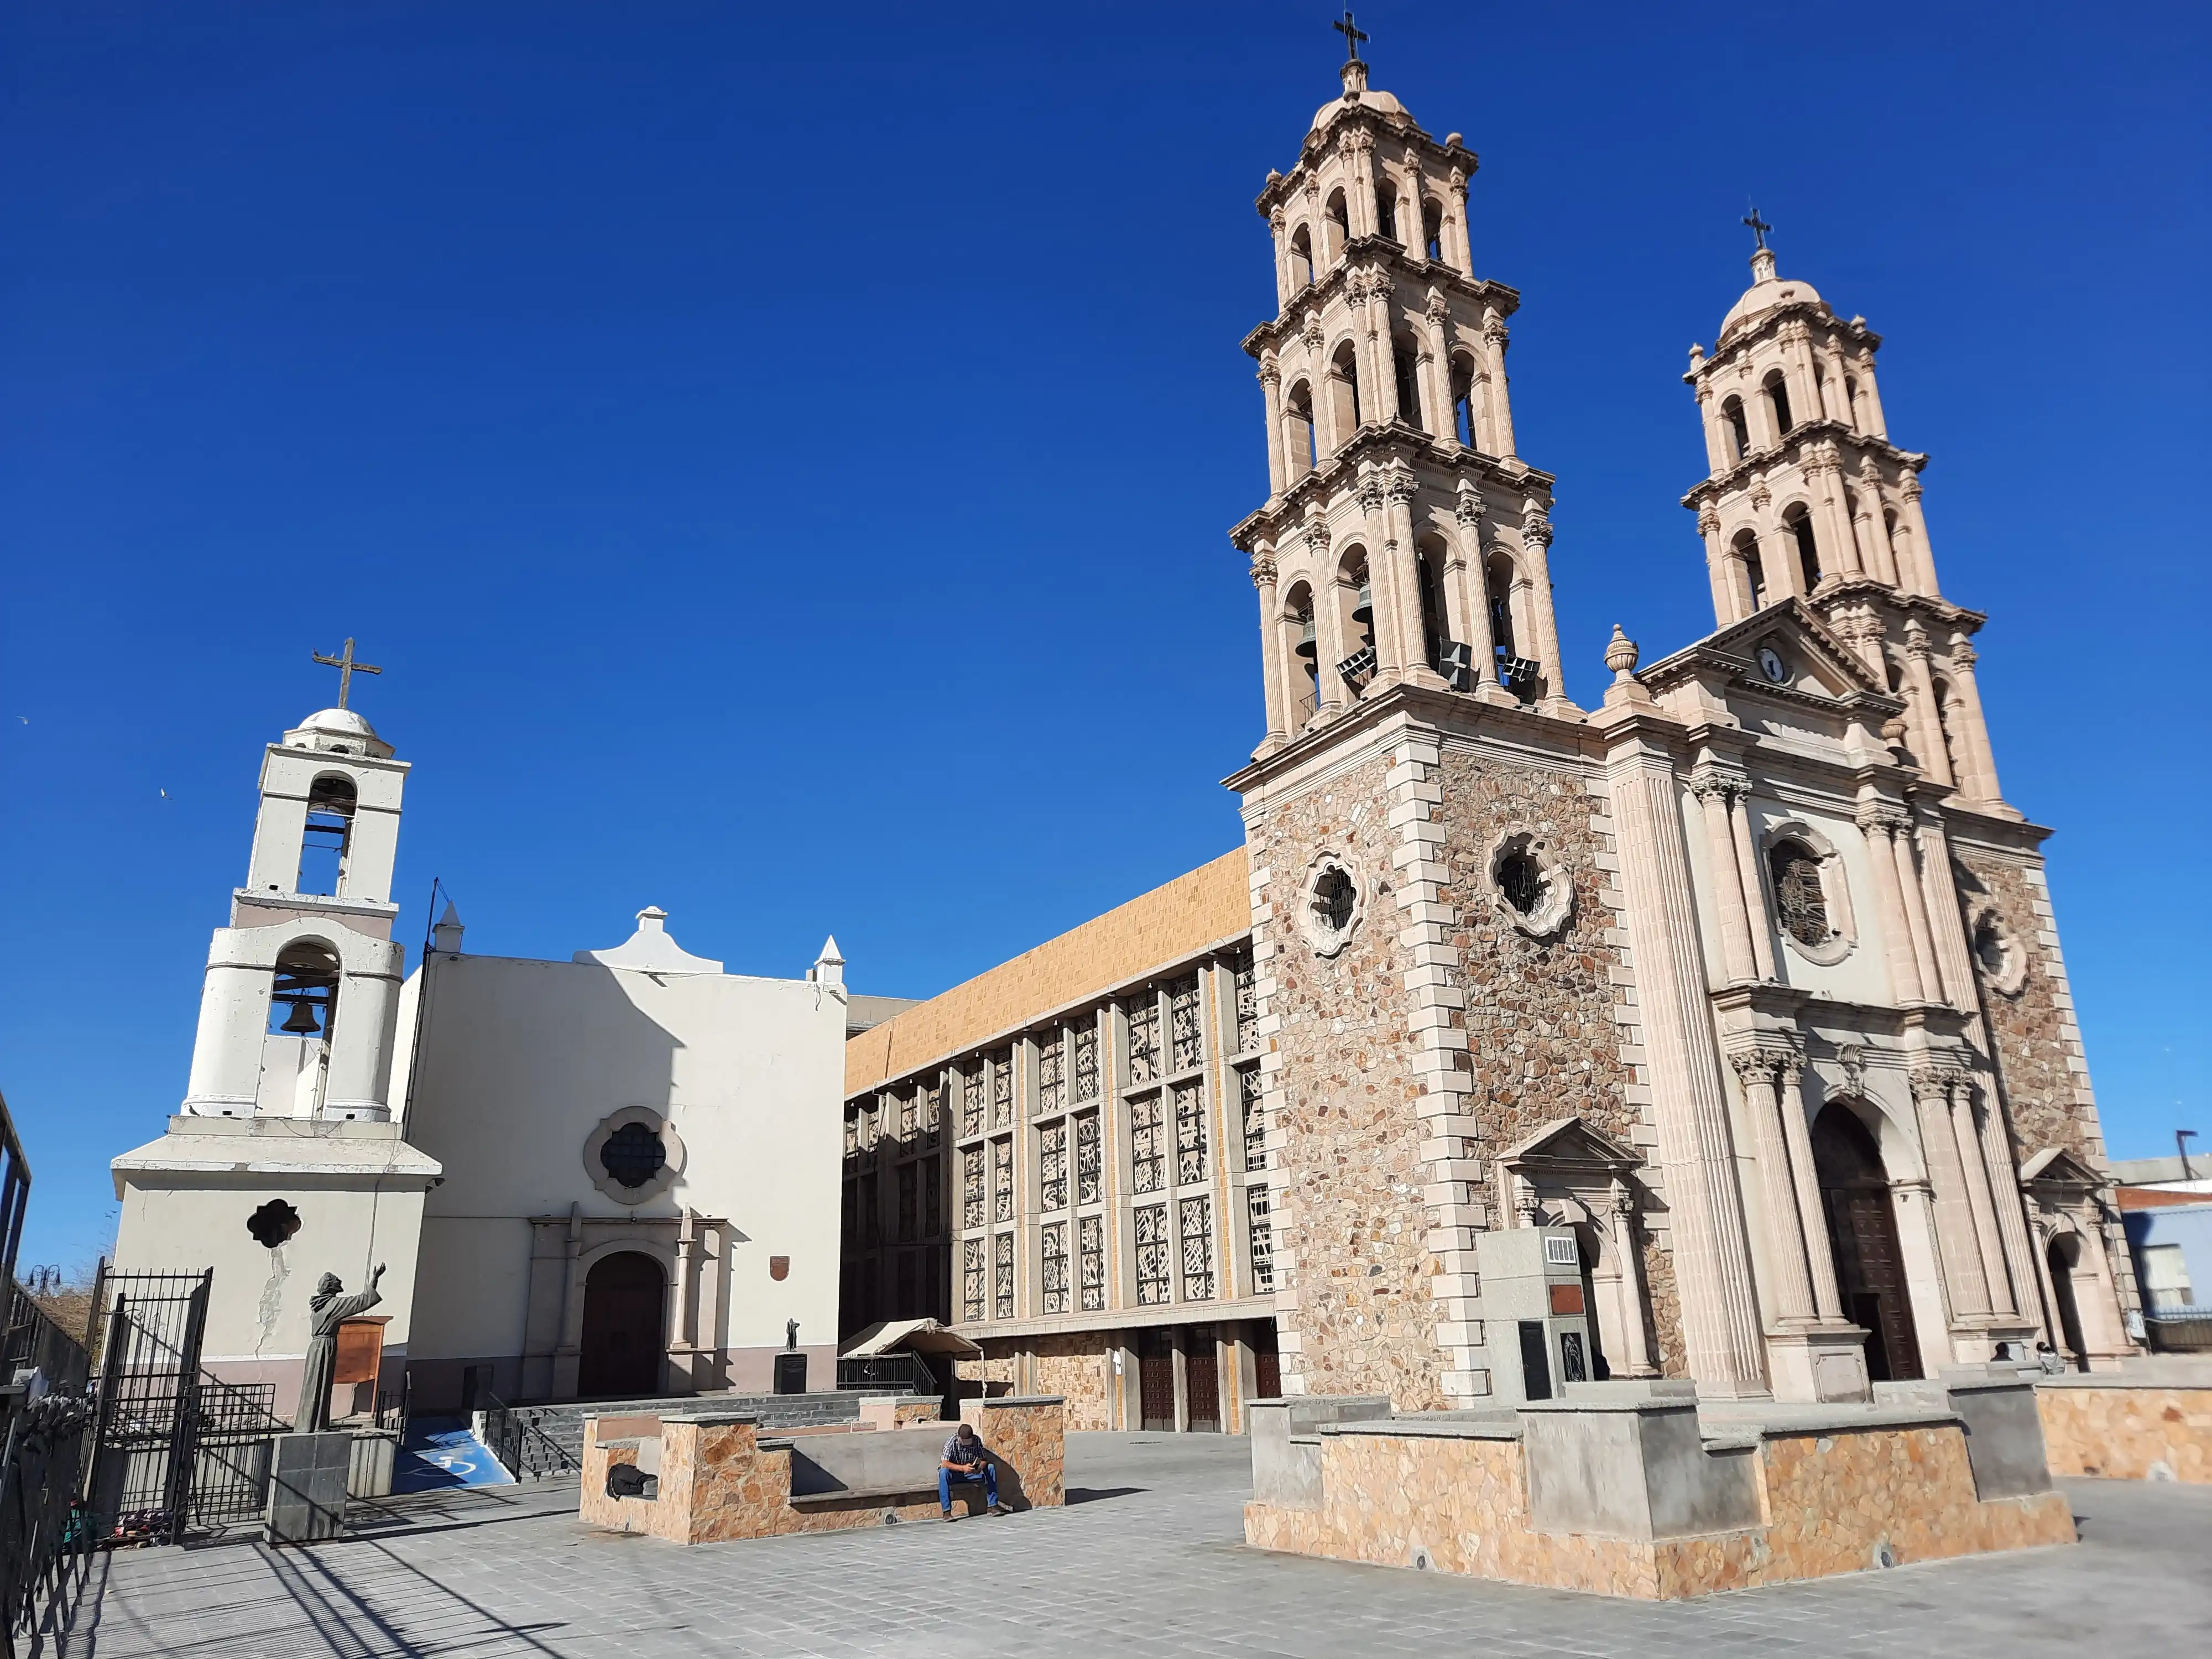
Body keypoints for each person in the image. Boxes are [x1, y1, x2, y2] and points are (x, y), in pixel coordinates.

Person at [294, 1264, 385, 1432]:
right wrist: (375, 1279)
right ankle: (316, 1426)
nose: (340, 1282)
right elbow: (363, 1300)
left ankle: (309, 1425)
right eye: (337, 1281)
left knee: (314, 1385)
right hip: (325, 1347)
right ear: (330, 1286)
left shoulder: (319, 1305)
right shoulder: (332, 1305)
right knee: (320, 1385)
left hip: (316, 1347)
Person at [939, 1422, 1010, 1520]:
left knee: (990, 1468)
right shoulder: (952, 1442)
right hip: (955, 1473)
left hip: (971, 1473)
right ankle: (946, 1512)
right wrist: (963, 1468)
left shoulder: (976, 1440)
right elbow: (945, 1463)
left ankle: (992, 1506)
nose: (967, 1446)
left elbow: (984, 1460)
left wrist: (979, 1468)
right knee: (943, 1473)